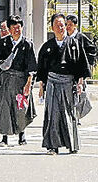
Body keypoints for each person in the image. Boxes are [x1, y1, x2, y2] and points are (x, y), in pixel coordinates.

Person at [36, 13, 90, 154]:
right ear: (52, 28)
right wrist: (41, 86)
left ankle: (72, 145)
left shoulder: (74, 44)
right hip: (52, 82)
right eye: (57, 25)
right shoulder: (47, 47)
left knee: (69, 113)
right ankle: (53, 146)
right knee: (53, 115)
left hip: (68, 82)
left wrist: (80, 82)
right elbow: (41, 68)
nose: (61, 27)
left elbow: (81, 65)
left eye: (62, 24)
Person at [0, 15, 37, 146]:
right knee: (4, 108)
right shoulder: (1, 44)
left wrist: (29, 82)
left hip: (21, 81)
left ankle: (22, 135)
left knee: (20, 109)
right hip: (5, 81)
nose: (16, 30)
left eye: (18, 27)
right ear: (9, 29)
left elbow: (32, 66)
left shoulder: (27, 45)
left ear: (22, 28)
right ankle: (4, 137)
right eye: (13, 28)